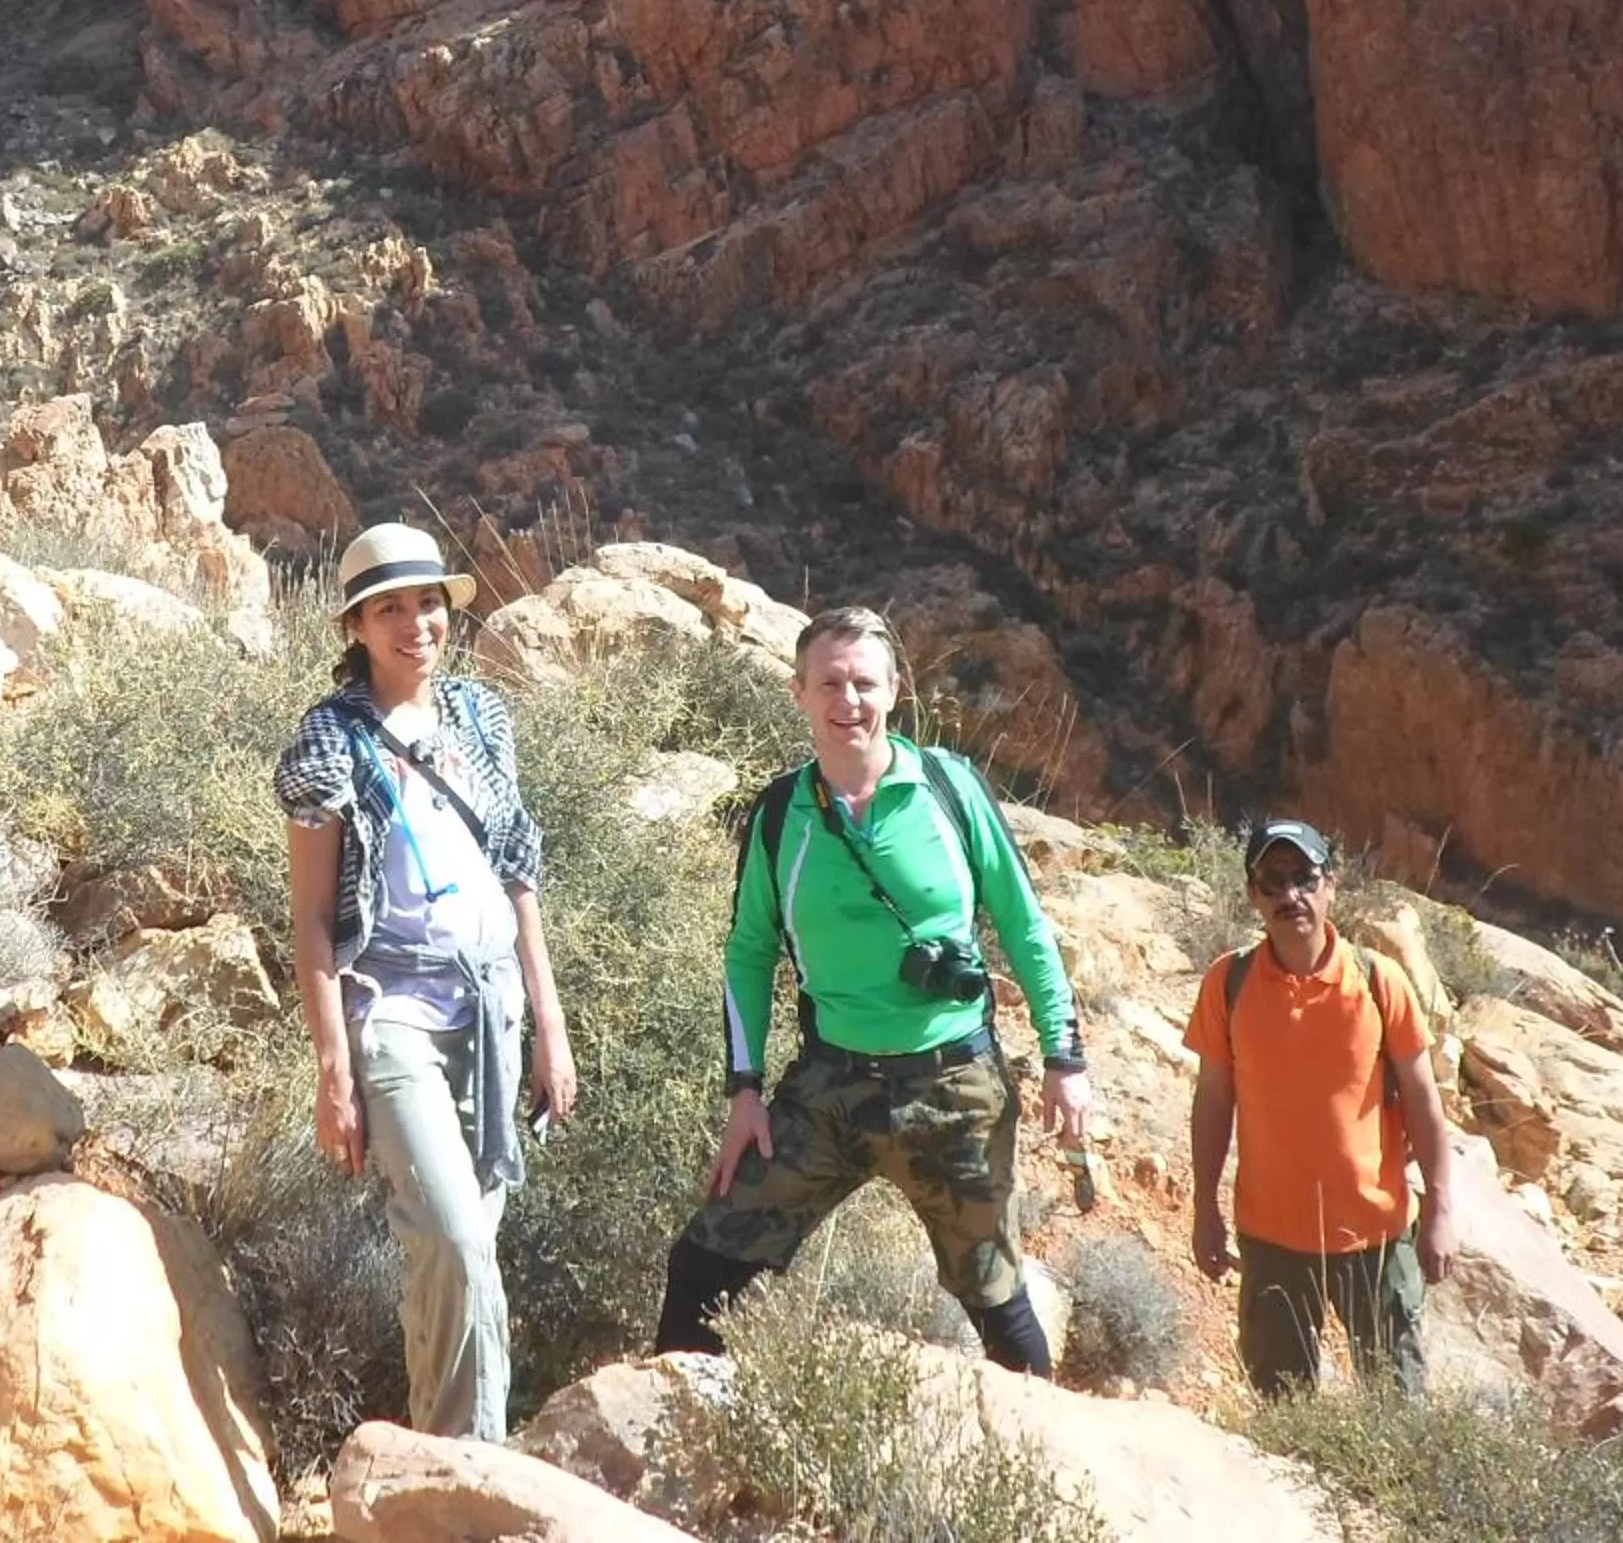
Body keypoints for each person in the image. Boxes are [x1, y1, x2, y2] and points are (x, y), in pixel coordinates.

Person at [650, 605, 1091, 1374]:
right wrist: (745, 1090)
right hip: (830, 1087)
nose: (845, 702)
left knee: (995, 1299)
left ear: (894, 691)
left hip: (953, 1084)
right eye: (828, 684)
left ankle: (1041, 1467)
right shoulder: (781, 813)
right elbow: (749, 951)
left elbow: (1026, 928)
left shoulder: (949, 791)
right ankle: (681, 1457)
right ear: (799, 693)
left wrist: (1065, 1055)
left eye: (863, 684)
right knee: (702, 1269)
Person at [274, 520, 578, 1442]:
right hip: (394, 1011)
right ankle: (466, 1473)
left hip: (494, 1007)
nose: (417, 626)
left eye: (429, 605)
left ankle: (454, 1461)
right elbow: (315, 919)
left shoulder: (484, 720)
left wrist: (551, 1029)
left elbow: (517, 872)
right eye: (391, 609)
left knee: (464, 1257)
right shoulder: (329, 742)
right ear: (356, 627)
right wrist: (334, 1073)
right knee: (449, 1236)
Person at [1185, 817, 1455, 1398]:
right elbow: (1212, 1103)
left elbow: (1424, 1102)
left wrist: (1439, 1210)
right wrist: (1204, 1206)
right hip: (1272, 1237)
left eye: (1305, 877)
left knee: (1398, 1409)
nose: (1291, 896)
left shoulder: (1380, 982)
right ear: (1254, 894)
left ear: (1330, 884)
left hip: (1375, 1236)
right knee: (1282, 1410)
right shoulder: (1227, 984)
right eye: (1273, 881)